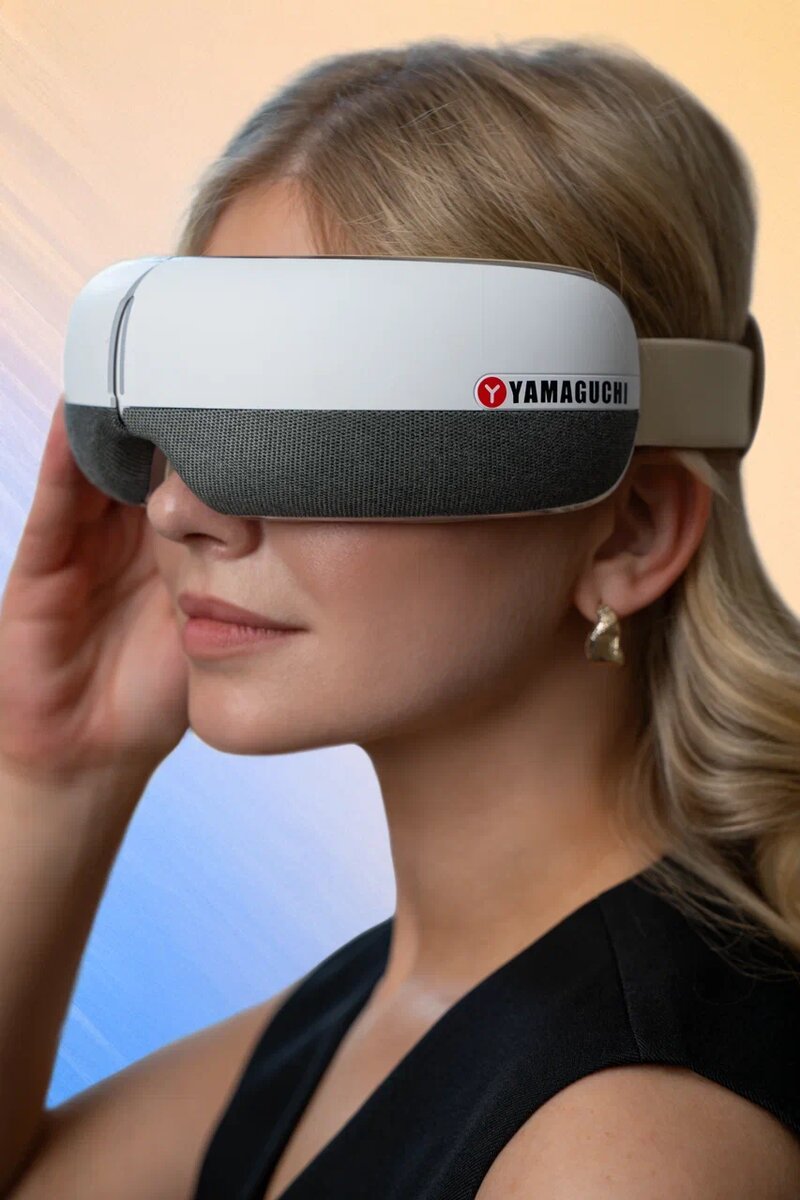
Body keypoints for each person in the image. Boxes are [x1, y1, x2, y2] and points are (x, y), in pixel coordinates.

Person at [2, 33, 800, 1200]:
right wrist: (54, 768)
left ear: (625, 533)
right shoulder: (379, 1010)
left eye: (312, 427)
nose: (176, 507)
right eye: (191, 409)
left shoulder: (624, 1145)